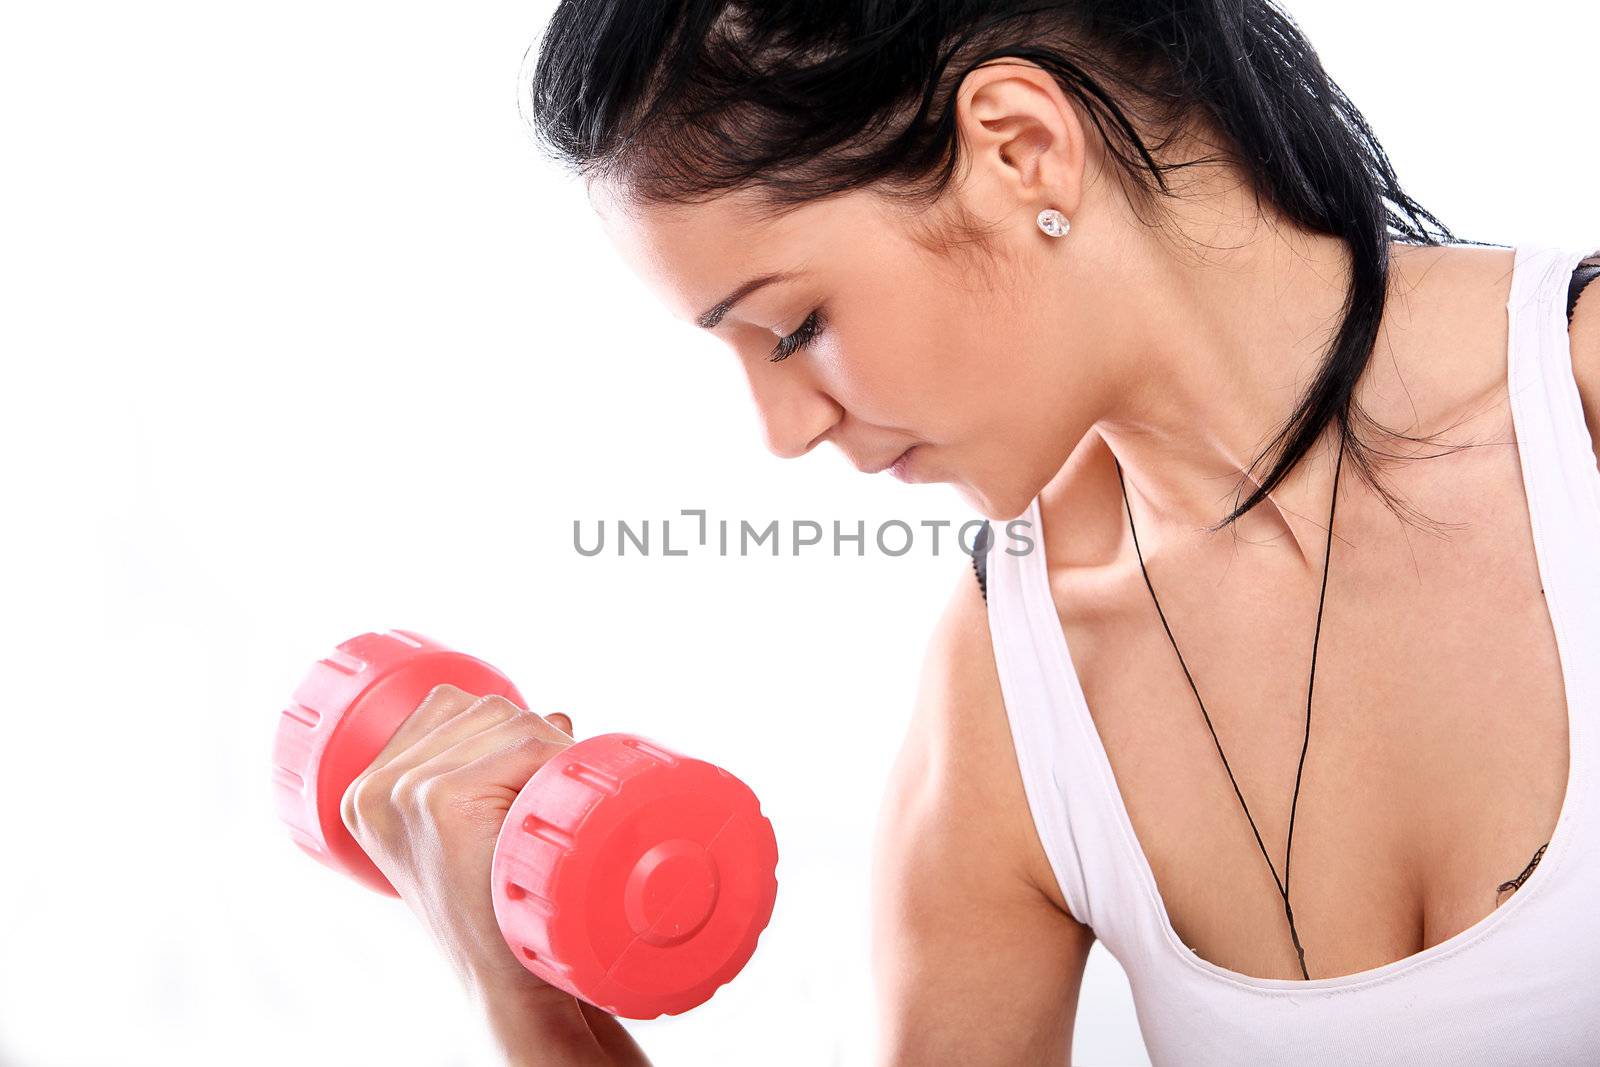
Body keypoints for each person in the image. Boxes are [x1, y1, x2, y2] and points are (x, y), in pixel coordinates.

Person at [338, 1, 1600, 1063]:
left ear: (1017, 148)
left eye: (793, 326)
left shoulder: (1576, 413)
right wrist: (526, 996)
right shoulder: (1014, 693)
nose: (781, 430)